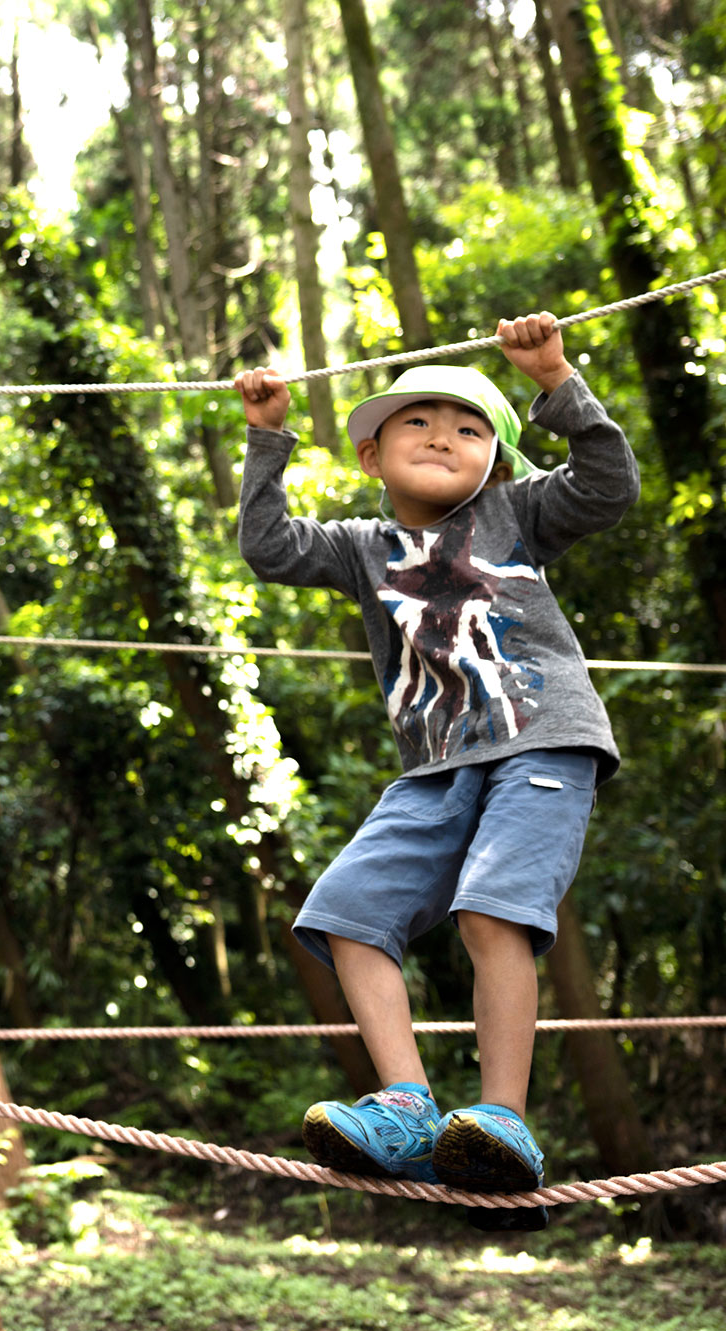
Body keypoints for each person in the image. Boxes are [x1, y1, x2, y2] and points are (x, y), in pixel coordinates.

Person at [234, 313, 640, 1227]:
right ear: (373, 456)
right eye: (417, 423)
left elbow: (609, 487)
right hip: (436, 767)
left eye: (467, 429)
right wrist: (266, 440)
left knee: (492, 907)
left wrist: (554, 380)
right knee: (345, 911)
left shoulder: (518, 512)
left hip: (543, 743)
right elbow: (268, 548)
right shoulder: (358, 548)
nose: (443, 438)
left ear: (496, 462)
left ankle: (503, 1116)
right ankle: (409, 1106)